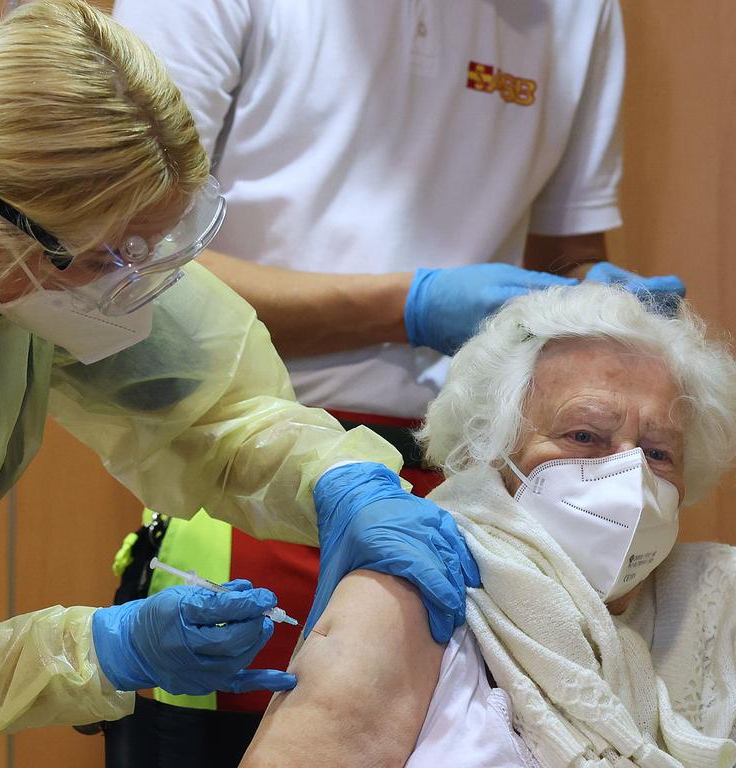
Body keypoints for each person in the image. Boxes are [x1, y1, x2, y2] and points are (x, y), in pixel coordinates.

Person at [0, 2, 478, 765]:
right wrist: (107, 650)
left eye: (154, 247)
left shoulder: (30, 248)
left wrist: (343, 480)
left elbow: (213, 413)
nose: (138, 288)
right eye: (112, 260)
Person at [105, 0, 685, 763]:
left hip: (468, 500)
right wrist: (406, 306)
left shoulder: (575, 12)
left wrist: (587, 306)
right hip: (242, 463)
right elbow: (123, 265)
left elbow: (566, 250)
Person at [241, 284, 736, 767]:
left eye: (659, 453)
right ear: (493, 449)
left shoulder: (735, 598)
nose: (629, 475)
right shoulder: (418, 584)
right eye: (583, 436)